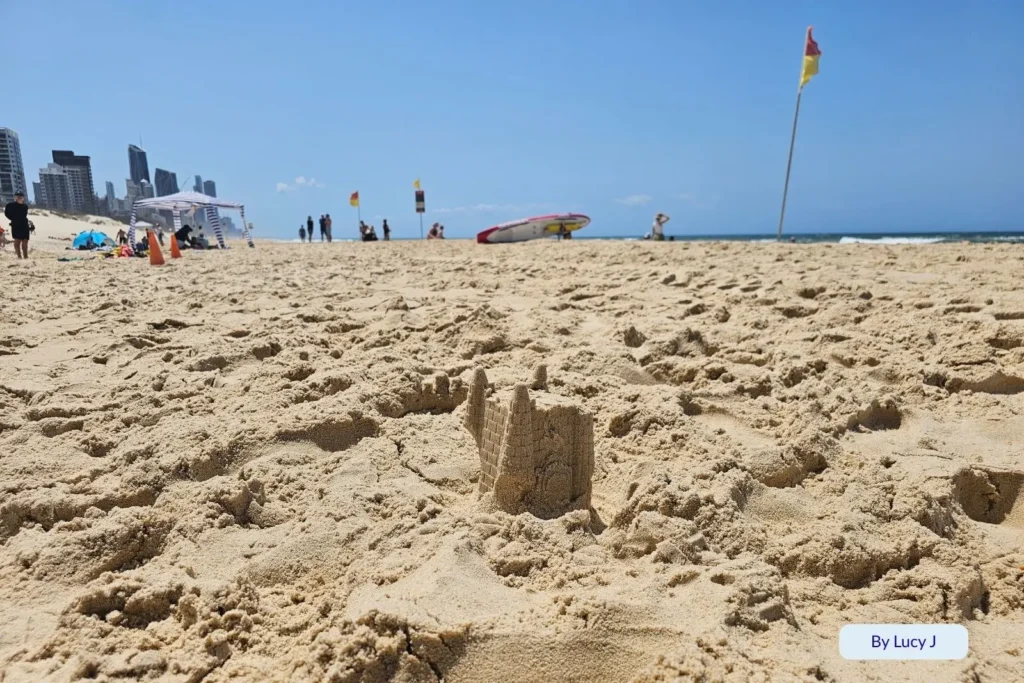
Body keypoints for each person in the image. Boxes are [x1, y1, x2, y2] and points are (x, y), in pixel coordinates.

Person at [4, 191, 30, 259]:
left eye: (20, 197)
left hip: (24, 225)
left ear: (23, 198)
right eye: (17, 196)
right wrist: (12, 219)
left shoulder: (25, 206)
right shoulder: (10, 205)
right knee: (17, 241)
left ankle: (26, 256)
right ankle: (19, 256)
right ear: (15, 197)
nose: (19, 198)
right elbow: (6, 213)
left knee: (25, 241)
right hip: (16, 225)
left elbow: (23, 215)